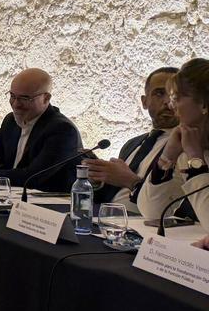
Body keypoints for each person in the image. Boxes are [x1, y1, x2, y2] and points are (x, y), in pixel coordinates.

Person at [86, 67, 178, 211]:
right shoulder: (132, 144)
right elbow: (111, 194)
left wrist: (129, 180)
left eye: (174, 95)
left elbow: (169, 203)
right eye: (159, 93)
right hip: (108, 219)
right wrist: (98, 178)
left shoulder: (184, 146)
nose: (167, 102)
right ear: (144, 101)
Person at [139, 60, 209, 224]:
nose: (171, 106)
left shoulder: (192, 152)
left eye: (176, 98)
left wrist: (195, 159)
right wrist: (167, 156)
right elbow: (152, 212)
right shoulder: (188, 145)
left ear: (204, 104)